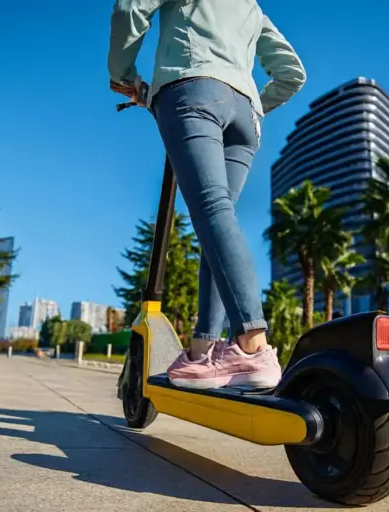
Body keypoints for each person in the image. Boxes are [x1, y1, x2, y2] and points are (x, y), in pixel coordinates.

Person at [108, 0, 306, 390]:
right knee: (217, 222)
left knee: (212, 212)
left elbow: (130, 8)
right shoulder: (252, 10)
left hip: (192, 93)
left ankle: (252, 348)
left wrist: (124, 74)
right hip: (245, 116)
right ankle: (204, 351)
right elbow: (293, 75)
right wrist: (254, 104)